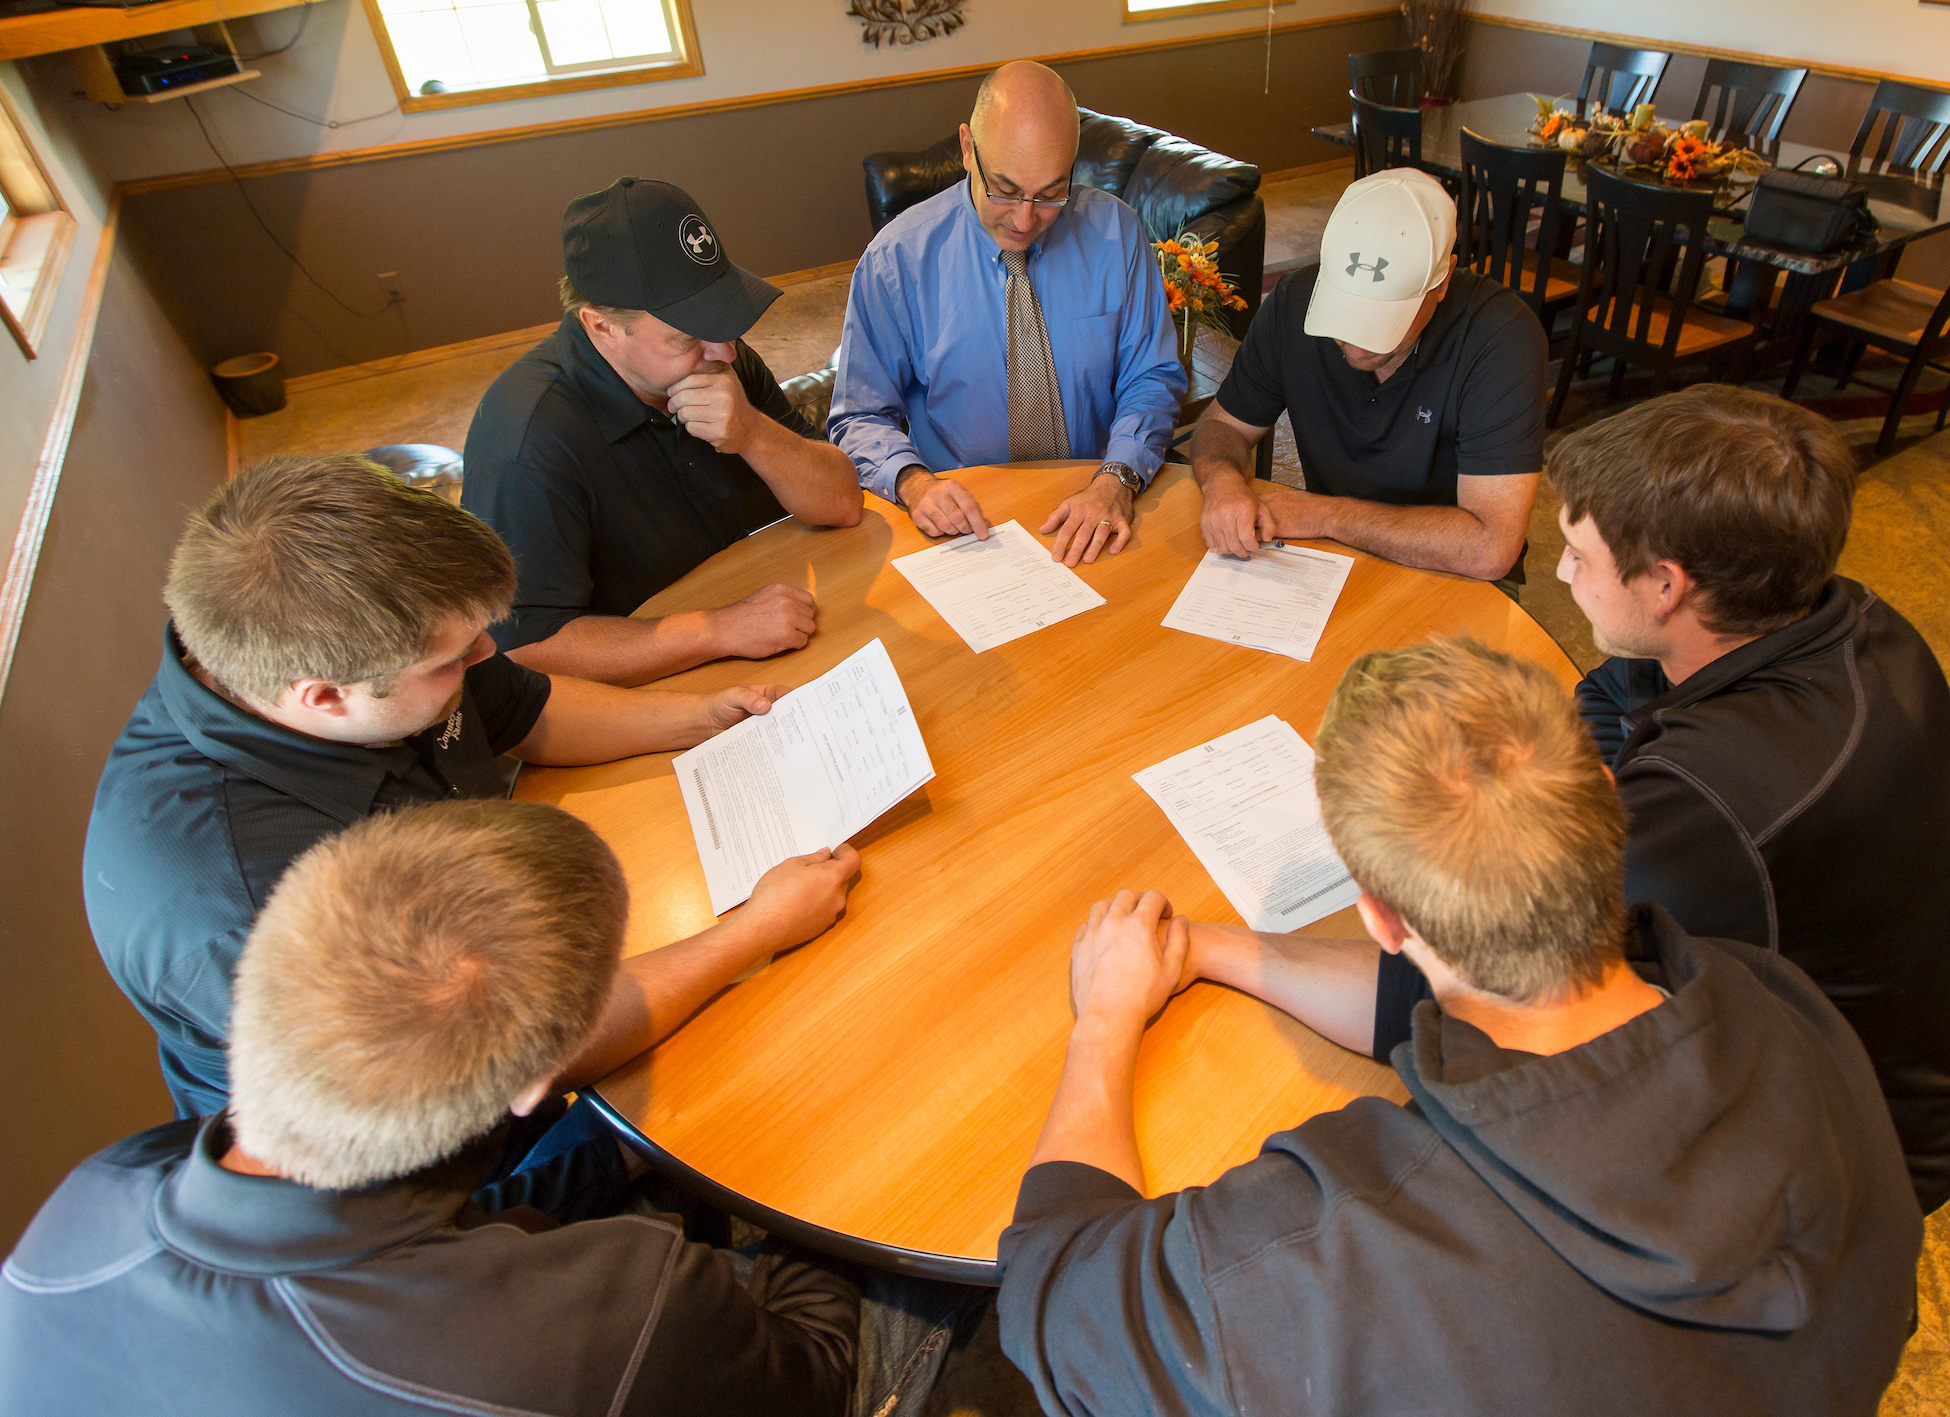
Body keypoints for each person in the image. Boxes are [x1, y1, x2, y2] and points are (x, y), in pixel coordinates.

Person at [996, 640, 1923, 1417]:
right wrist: (1213, 949)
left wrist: (1107, 1019)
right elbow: (1488, 1002)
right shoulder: (1777, 1003)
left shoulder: (1337, 1251)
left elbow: (1053, 1290)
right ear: (1607, 801)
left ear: (1380, 920)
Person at [0, 801, 954, 1417]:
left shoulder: (88, 1199)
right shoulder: (619, 1311)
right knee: (908, 1233)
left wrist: (610, 1159)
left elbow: (408, 1240)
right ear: (539, 1083)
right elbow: (810, 1380)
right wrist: (799, 1165)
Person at [85, 454, 860, 1119]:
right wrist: (754, 931)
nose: (488, 652)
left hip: (520, 947)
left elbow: (527, 710)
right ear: (323, 697)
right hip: (429, 1156)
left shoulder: (379, 658)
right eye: (454, 659)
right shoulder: (234, 902)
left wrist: (697, 720)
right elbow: (525, 1052)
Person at [1542, 384, 1950, 1211]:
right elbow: (1614, 689)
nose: (1562, 573)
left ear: (1666, 586)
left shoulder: (1714, 795)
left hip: (1850, 1149)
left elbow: (1533, 959)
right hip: (1920, 1073)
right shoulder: (1853, 620)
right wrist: (1616, 784)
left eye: (1579, 555)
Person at [462, 177, 864, 686]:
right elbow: (525, 649)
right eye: (688, 336)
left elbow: (844, 502)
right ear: (601, 326)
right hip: (660, 683)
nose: (726, 353)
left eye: (725, 320)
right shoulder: (527, 444)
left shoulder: (722, 360)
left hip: (783, 621)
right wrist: (718, 630)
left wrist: (755, 435)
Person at [828, 60, 1186, 567]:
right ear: (967, 148)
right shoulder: (896, 261)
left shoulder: (1116, 233)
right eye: (1006, 189)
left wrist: (1118, 478)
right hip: (969, 525)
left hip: (1098, 503)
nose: (1025, 220)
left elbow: (1150, 378)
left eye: (1049, 195)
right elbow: (859, 415)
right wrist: (912, 482)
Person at [1192, 168, 1547, 591]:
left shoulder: (1502, 339)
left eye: (1384, 319)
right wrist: (1222, 481)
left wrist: (1326, 514)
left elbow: (1490, 547)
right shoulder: (1293, 304)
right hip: (1334, 556)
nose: (1357, 345)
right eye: (1344, 312)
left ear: (1443, 280)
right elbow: (1221, 426)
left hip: (1455, 575)